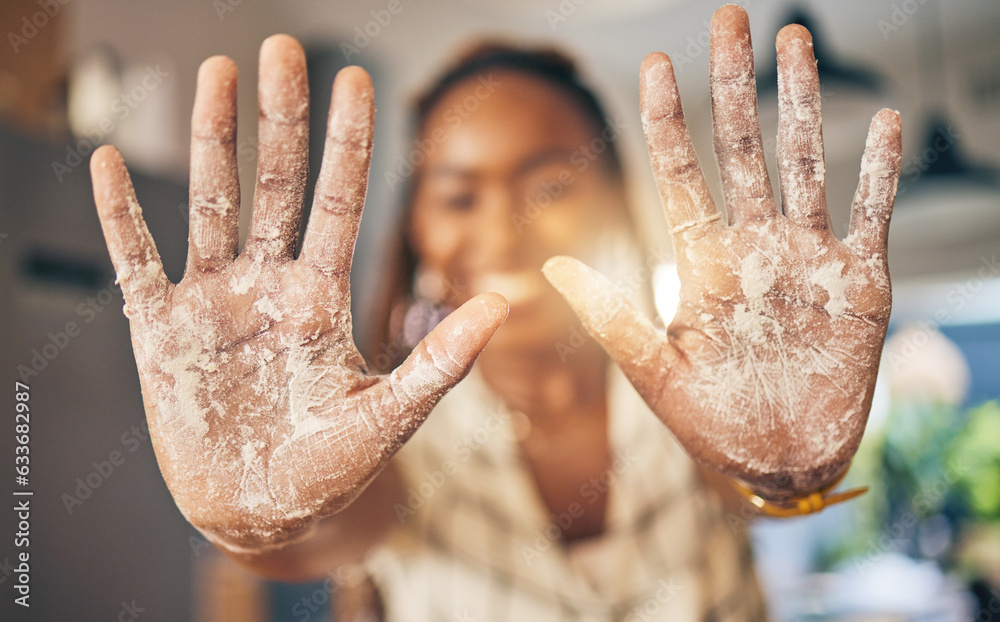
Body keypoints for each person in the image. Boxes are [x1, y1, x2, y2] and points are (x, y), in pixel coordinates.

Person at [88, 4, 901, 621]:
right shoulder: (373, 433)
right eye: (458, 195)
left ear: (614, 199)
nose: (503, 223)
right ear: (419, 232)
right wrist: (258, 521)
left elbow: (756, 496)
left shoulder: (701, 387)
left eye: (550, 184)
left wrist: (788, 471)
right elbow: (329, 532)